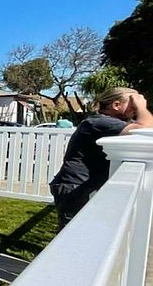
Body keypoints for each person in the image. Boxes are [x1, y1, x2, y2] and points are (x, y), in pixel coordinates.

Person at [49, 87, 153, 228]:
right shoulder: (99, 122)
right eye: (133, 104)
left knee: (85, 230)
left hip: (82, 186)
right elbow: (146, 130)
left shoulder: (105, 122)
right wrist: (142, 108)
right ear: (116, 105)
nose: (136, 108)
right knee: (74, 232)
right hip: (76, 187)